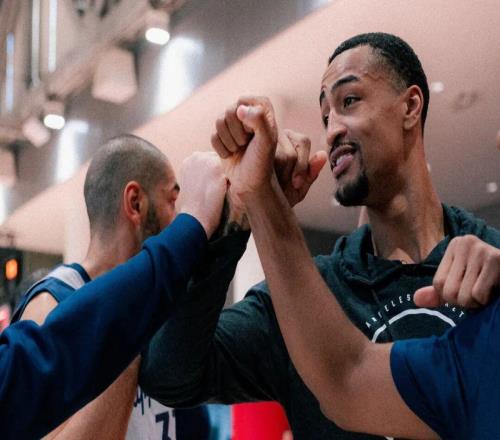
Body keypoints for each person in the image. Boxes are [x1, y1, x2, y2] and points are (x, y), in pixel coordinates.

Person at [139, 33, 500, 439]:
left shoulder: (492, 264)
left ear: (411, 106)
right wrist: (237, 219)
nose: (332, 131)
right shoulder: (305, 298)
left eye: (350, 101)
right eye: (326, 117)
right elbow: (169, 375)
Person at [0, 147, 226, 439]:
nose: (178, 213)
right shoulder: (51, 300)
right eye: (173, 200)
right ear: (135, 203)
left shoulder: (159, 311)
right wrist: (129, 336)